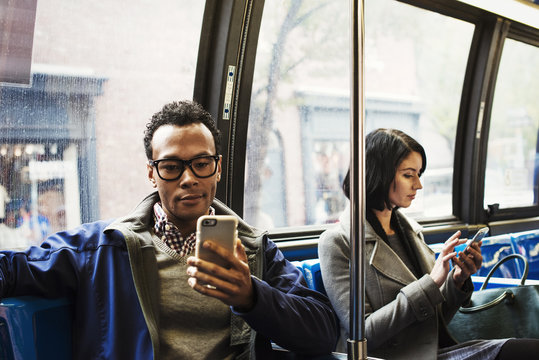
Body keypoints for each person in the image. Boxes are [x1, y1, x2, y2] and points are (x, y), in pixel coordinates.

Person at [0, 100, 339, 359]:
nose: (189, 178)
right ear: (152, 174)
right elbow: (13, 270)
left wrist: (251, 296)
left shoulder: (253, 249)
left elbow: (322, 331)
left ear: (217, 169)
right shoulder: (102, 248)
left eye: (201, 164)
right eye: (172, 167)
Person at [318, 128, 539, 360]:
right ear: (379, 175)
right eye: (408, 175)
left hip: (435, 350)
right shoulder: (337, 243)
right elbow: (363, 333)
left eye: (419, 174)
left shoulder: (410, 231)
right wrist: (432, 282)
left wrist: (456, 280)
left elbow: (434, 319)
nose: (418, 185)